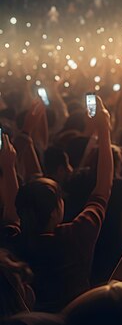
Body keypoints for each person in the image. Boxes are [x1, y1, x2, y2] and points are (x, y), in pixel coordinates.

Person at [0, 97, 113, 312]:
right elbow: (104, 188)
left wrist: (8, 167)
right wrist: (104, 129)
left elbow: (13, 210)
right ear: (54, 213)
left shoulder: (14, 244)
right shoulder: (75, 236)